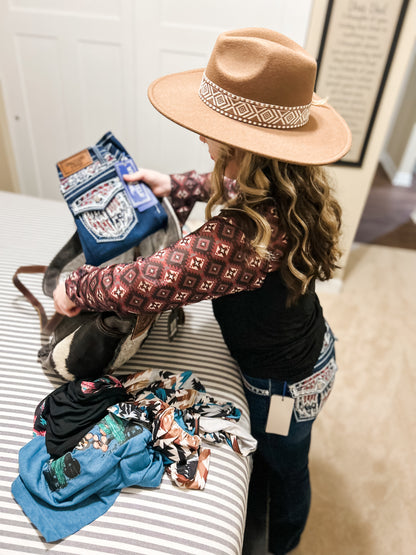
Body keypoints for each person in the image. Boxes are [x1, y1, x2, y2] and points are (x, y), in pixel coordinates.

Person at [53, 28, 351, 554]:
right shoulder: (288, 183)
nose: (201, 139)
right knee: (285, 459)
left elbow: (151, 279)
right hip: (311, 348)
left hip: (283, 385)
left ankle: (283, 542)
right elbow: (231, 184)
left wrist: (77, 285)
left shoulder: (240, 240)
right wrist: (179, 185)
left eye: (211, 132)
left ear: (241, 148)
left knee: (283, 470)